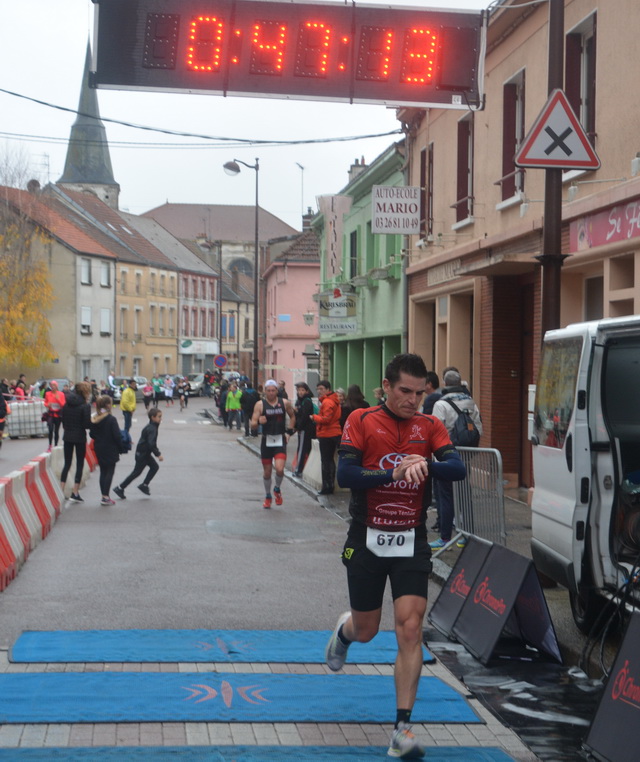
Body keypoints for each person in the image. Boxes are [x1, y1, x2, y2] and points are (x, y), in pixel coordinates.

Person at [325, 353, 466, 759]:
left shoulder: (430, 425)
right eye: (405, 391)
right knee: (368, 630)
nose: (412, 400)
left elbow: (456, 467)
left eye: (420, 392)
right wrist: (394, 472)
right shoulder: (362, 420)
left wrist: (426, 464)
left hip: (411, 540)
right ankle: (345, 632)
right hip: (366, 537)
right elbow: (346, 475)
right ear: (386, 387)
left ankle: (402, 730)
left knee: (409, 629)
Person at [430, 369, 483, 550]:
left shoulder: (440, 404)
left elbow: (435, 431)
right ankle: (466, 535)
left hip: (445, 456)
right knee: (464, 494)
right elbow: (479, 429)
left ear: (445, 384)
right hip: (466, 454)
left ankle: (445, 538)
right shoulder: (471, 402)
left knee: (445, 497)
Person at [250, 379, 296, 508]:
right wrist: (259, 422)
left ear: (277, 391)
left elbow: (292, 416)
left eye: (273, 390)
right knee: (267, 472)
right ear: (265, 391)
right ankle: (267, 496)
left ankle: (277, 489)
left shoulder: (284, 403)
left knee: (280, 469)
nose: (271, 393)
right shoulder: (260, 405)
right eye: (268, 390)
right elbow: (252, 424)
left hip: (280, 439)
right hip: (266, 440)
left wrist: (289, 432)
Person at [114, 408, 164, 499]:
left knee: (154, 467)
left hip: (144, 452)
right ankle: (120, 488)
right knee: (136, 472)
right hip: (143, 453)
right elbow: (151, 443)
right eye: (159, 417)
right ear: (153, 417)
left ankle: (144, 485)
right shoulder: (152, 428)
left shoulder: (151, 426)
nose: (161, 419)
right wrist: (158, 454)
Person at [60, 380, 92, 503]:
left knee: (67, 463)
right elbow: (86, 424)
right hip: (79, 437)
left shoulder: (66, 404)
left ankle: (61, 489)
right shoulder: (85, 405)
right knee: (79, 463)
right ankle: (75, 491)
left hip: (67, 436)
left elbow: (63, 421)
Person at [90, 395, 124, 505]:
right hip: (110, 447)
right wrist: (121, 447)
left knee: (103, 471)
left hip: (99, 447)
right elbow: (117, 435)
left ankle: (103, 495)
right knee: (110, 471)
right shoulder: (111, 419)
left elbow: (91, 434)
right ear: (108, 405)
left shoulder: (95, 418)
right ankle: (105, 496)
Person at [312, 380, 342, 495]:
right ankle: (330, 485)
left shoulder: (327, 402)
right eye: (318, 389)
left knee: (326, 461)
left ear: (328, 389)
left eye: (321, 389)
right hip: (334, 433)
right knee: (330, 460)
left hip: (327, 434)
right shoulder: (333, 400)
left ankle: (327, 486)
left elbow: (326, 419)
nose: (319, 391)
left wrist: (314, 417)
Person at [293, 382, 315, 477]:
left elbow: (305, 416)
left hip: (306, 429)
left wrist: (298, 427)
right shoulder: (299, 401)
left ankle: (299, 470)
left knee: (302, 449)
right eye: (298, 390)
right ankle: (307, 469)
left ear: (306, 391)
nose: (300, 392)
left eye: (302, 390)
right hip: (303, 428)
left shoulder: (306, 401)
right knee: (307, 449)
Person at [44, 380, 66, 452]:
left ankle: (55, 445)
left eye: (54, 385)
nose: (52, 387)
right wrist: (48, 405)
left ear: (56, 386)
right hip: (50, 414)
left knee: (56, 431)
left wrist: (58, 399)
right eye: (51, 385)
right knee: (50, 429)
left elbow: (63, 405)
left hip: (58, 414)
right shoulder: (47, 394)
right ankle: (50, 445)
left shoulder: (61, 394)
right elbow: (45, 403)